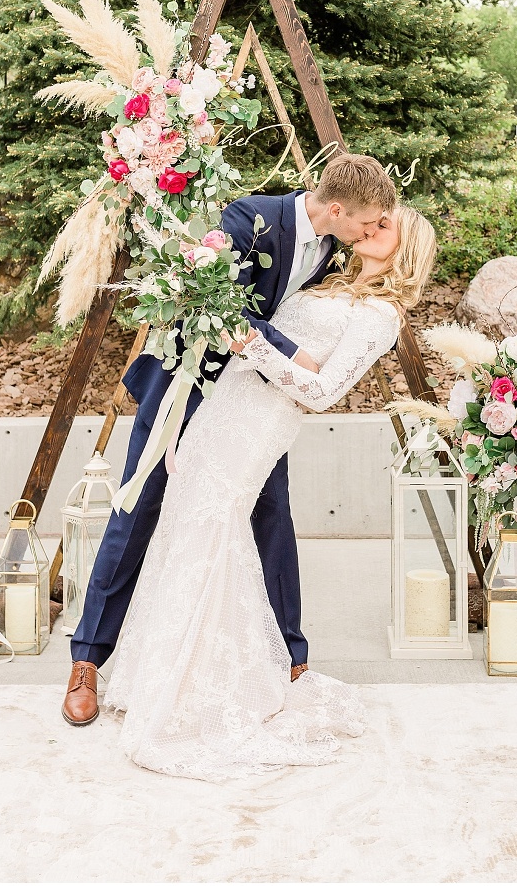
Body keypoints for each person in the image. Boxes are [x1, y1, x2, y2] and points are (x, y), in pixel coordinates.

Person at [102, 204, 438, 780]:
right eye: (373, 221)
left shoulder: (382, 316)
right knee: (186, 520)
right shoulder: (330, 278)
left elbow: (324, 391)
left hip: (260, 424)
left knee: (215, 526)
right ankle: (162, 673)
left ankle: (213, 684)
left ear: (405, 252)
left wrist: (250, 349)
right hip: (223, 406)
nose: (371, 229)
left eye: (386, 229)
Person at [62, 154, 398, 726]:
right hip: (185, 383)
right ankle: (88, 660)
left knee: (271, 516)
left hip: (254, 404)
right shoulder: (248, 220)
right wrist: (294, 355)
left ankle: (289, 656)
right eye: (366, 223)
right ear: (336, 209)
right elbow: (220, 307)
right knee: (137, 510)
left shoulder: (332, 249)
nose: (371, 233)